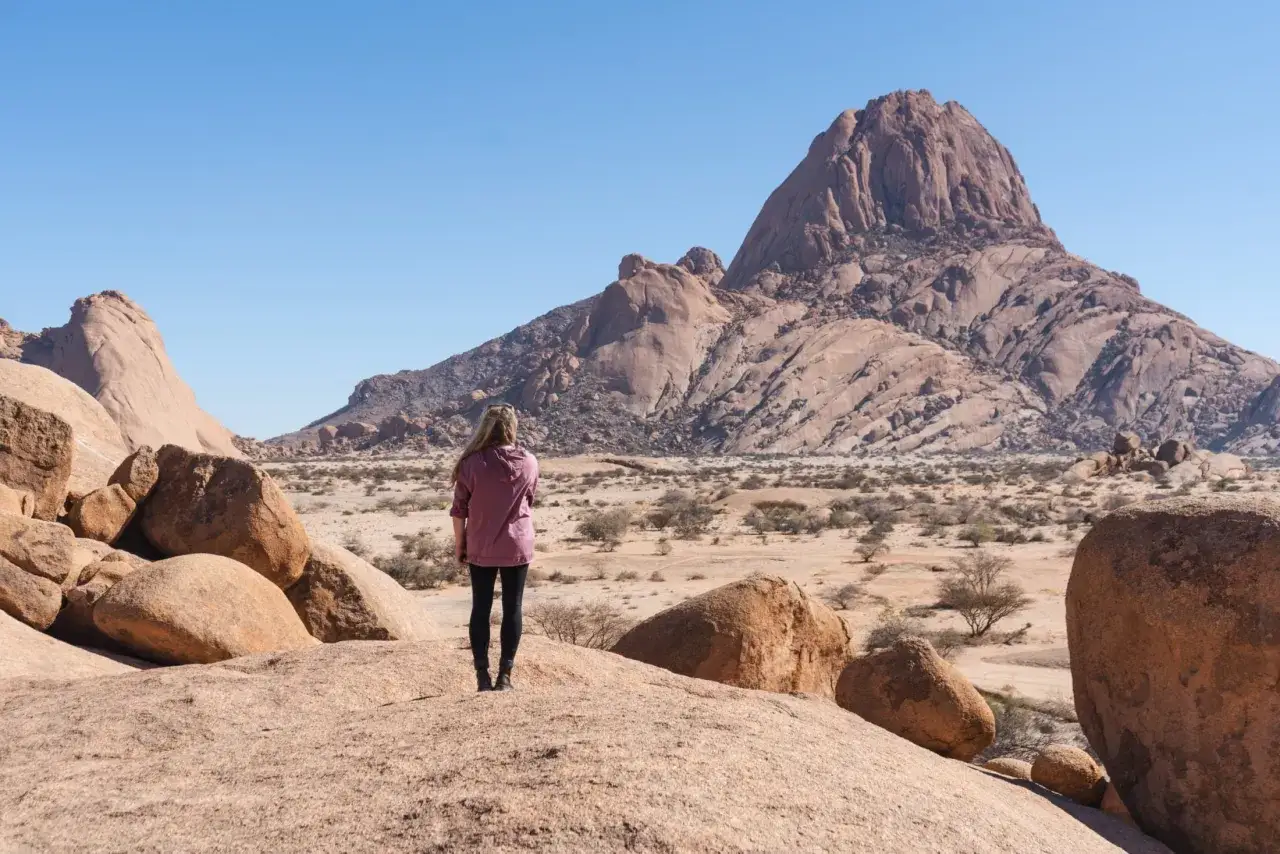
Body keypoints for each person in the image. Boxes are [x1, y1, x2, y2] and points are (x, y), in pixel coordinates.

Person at [449, 404, 538, 692]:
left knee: (481, 607)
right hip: (517, 543)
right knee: (513, 607)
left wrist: (460, 545)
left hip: (481, 544)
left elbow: (459, 510)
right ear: (513, 427)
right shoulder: (530, 462)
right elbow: (529, 500)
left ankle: (482, 676)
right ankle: (505, 676)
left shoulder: (471, 464)